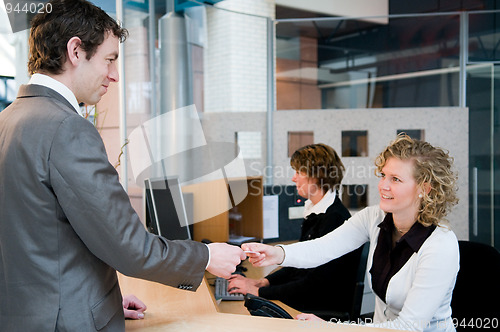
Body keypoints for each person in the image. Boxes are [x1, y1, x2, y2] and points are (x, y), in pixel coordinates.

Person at [0, 1, 245, 331]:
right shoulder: (66, 129)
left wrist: (97, 297)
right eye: (110, 59)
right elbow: (129, 246)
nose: (114, 75)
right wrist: (206, 257)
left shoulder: (7, 120)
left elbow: (39, 240)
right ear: (75, 51)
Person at [244, 134, 460, 332]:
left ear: (425, 189)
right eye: (383, 175)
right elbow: (323, 247)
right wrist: (276, 254)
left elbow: (409, 327)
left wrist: (332, 327)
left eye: (395, 179)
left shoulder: (440, 245)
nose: (383, 185)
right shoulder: (374, 217)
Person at [228, 143, 363, 315]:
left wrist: (259, 292)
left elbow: (313, 284)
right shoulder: (317, 212)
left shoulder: (335, 219)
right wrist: (264, 282)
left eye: (299, 172)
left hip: (319, 307)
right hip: (306, 299)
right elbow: (297, 265)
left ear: (316, 176)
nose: (294, 178)